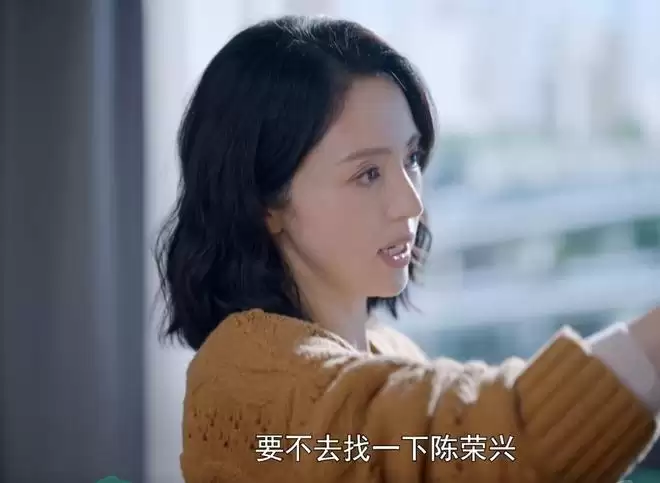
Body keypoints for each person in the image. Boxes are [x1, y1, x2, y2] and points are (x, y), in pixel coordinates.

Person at [155, 15, 660, 483]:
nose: (411, 202)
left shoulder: (389, 350)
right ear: (265, 203)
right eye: (368, 173)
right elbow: (498, 443)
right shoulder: (242, 380)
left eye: (412, 158)